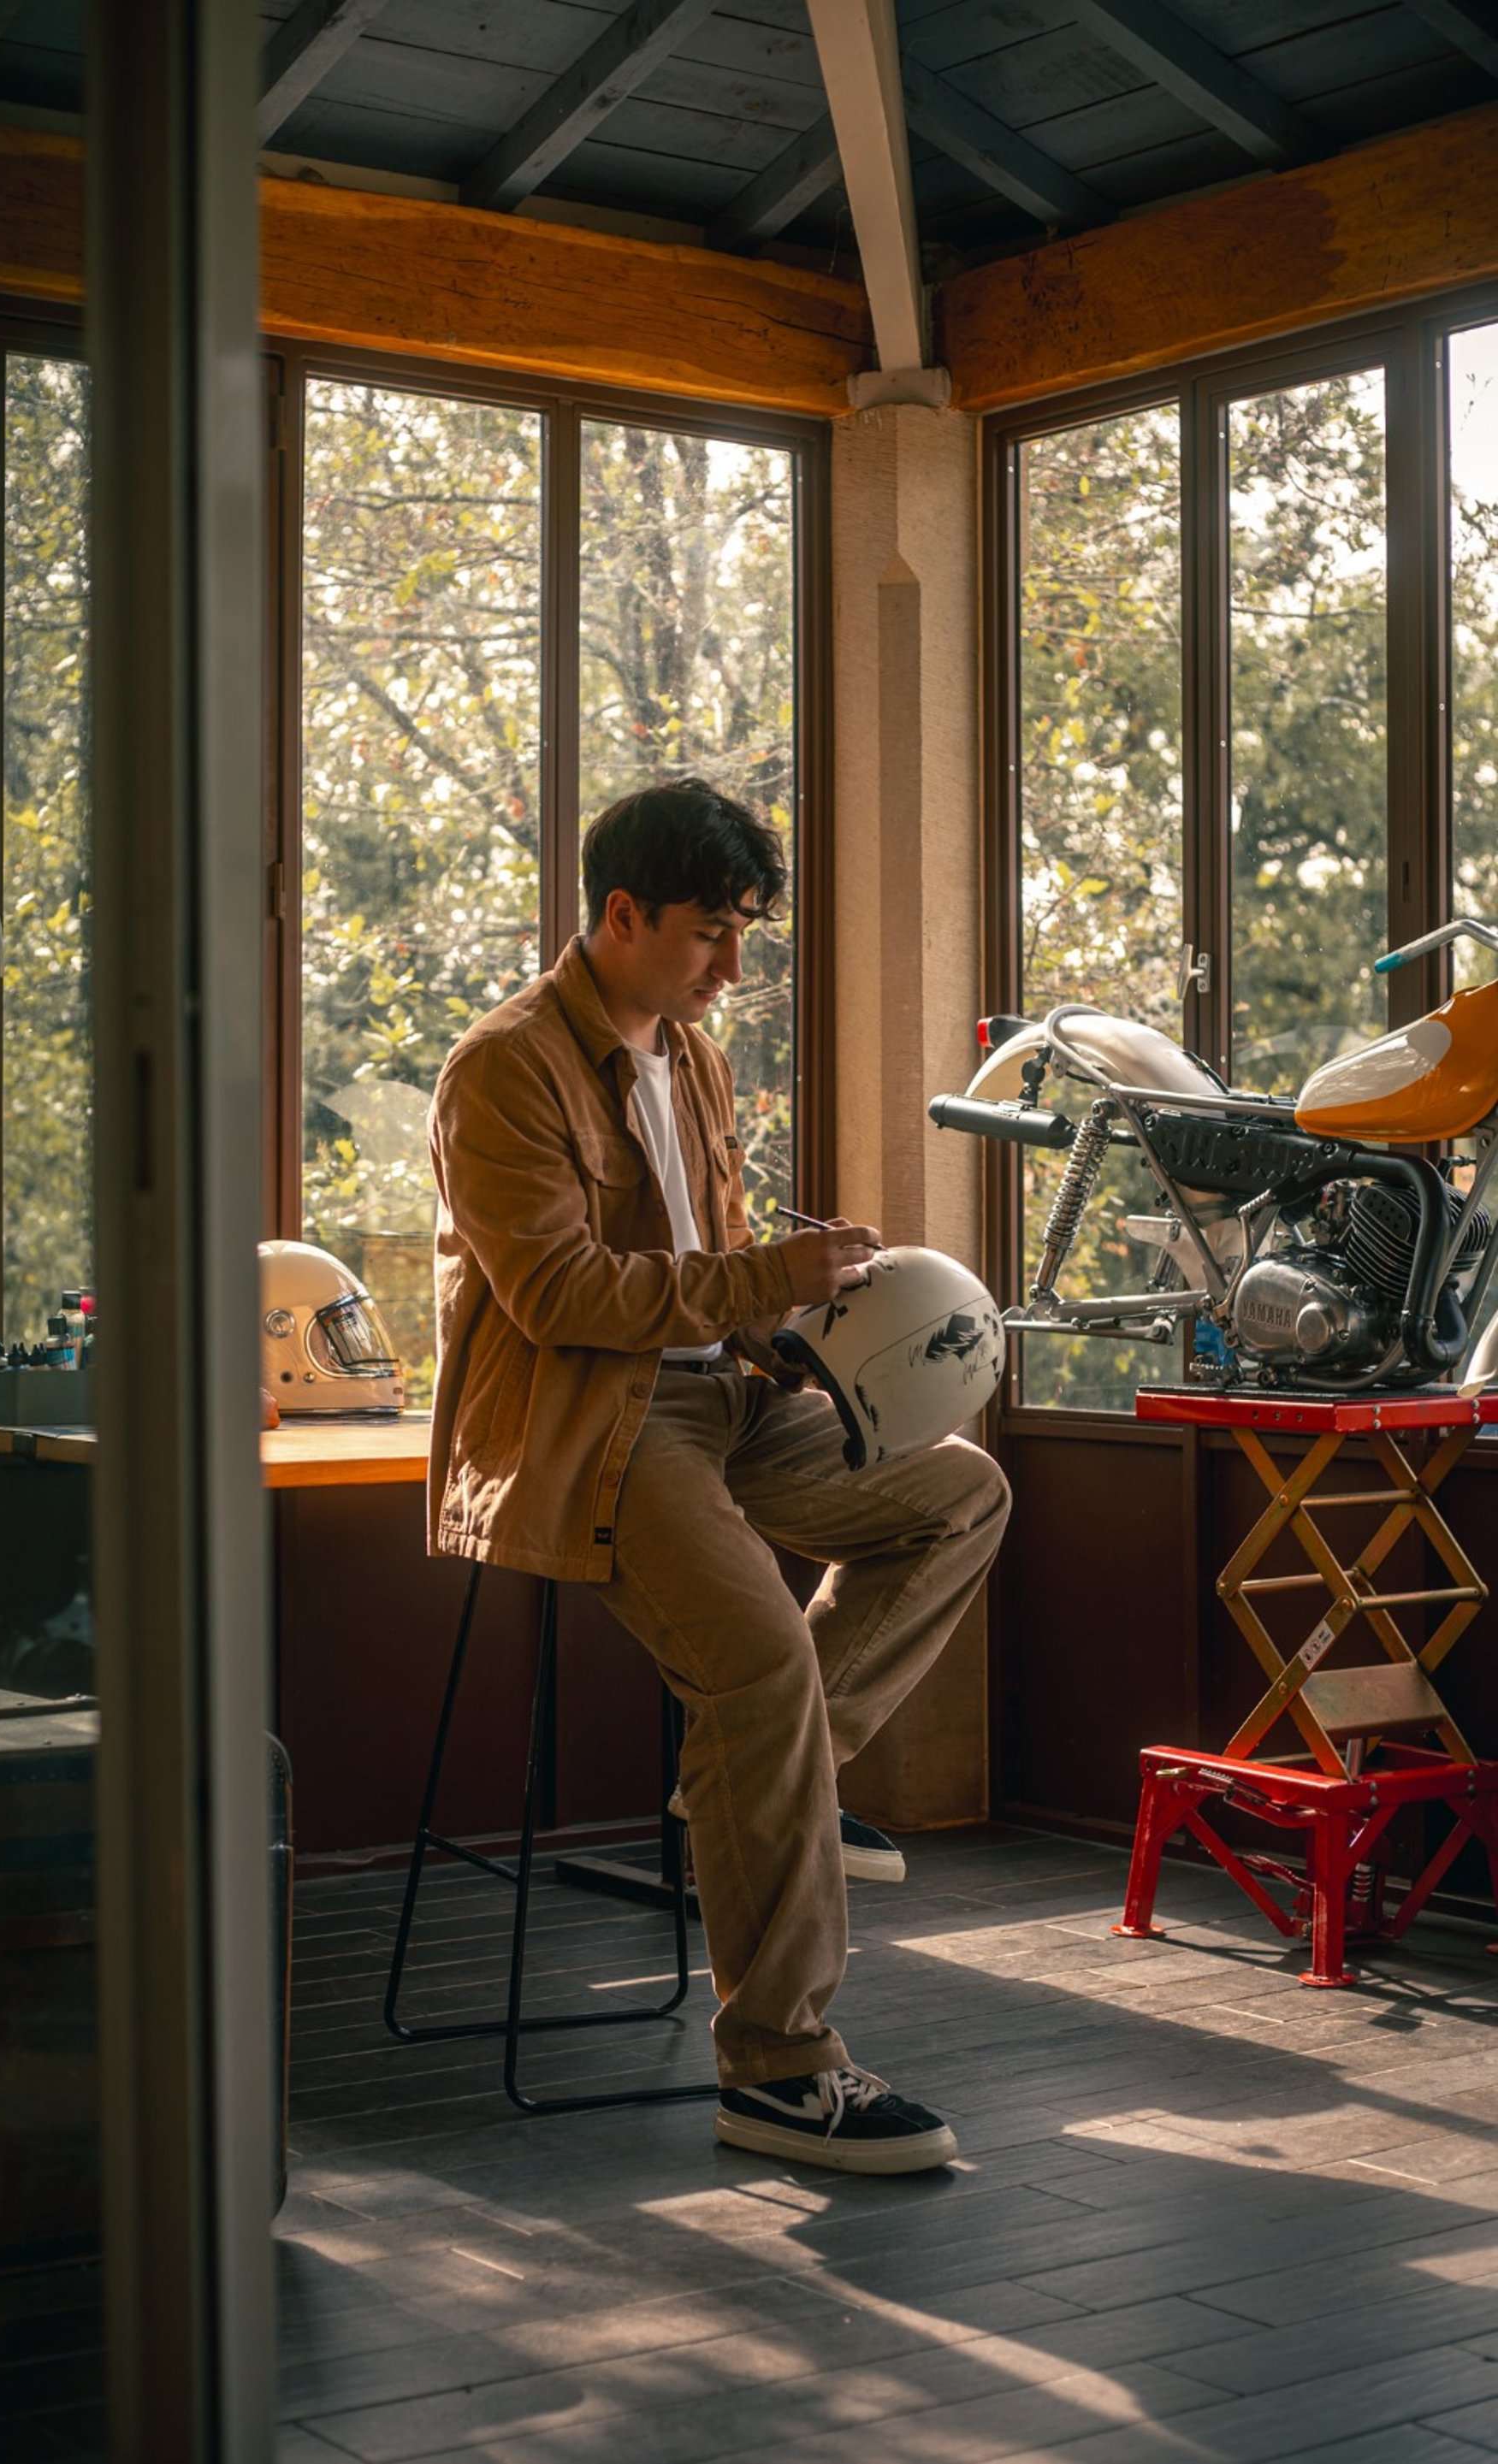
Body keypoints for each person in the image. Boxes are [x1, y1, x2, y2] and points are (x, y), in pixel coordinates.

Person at [427, 777, 1010, 2175]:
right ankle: (782, 2068)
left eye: (747, 932)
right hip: (596, 1426)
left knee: (963, 1491)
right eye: (711, 933)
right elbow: (562, 1293)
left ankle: (756, 1782)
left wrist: (807, 1324)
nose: (733, 968)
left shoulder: (691, 1056)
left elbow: (721, 1271)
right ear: (620, 914)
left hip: (720, 1398)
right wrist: (759, 1279)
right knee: (759, 1669)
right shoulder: (502, 1067)